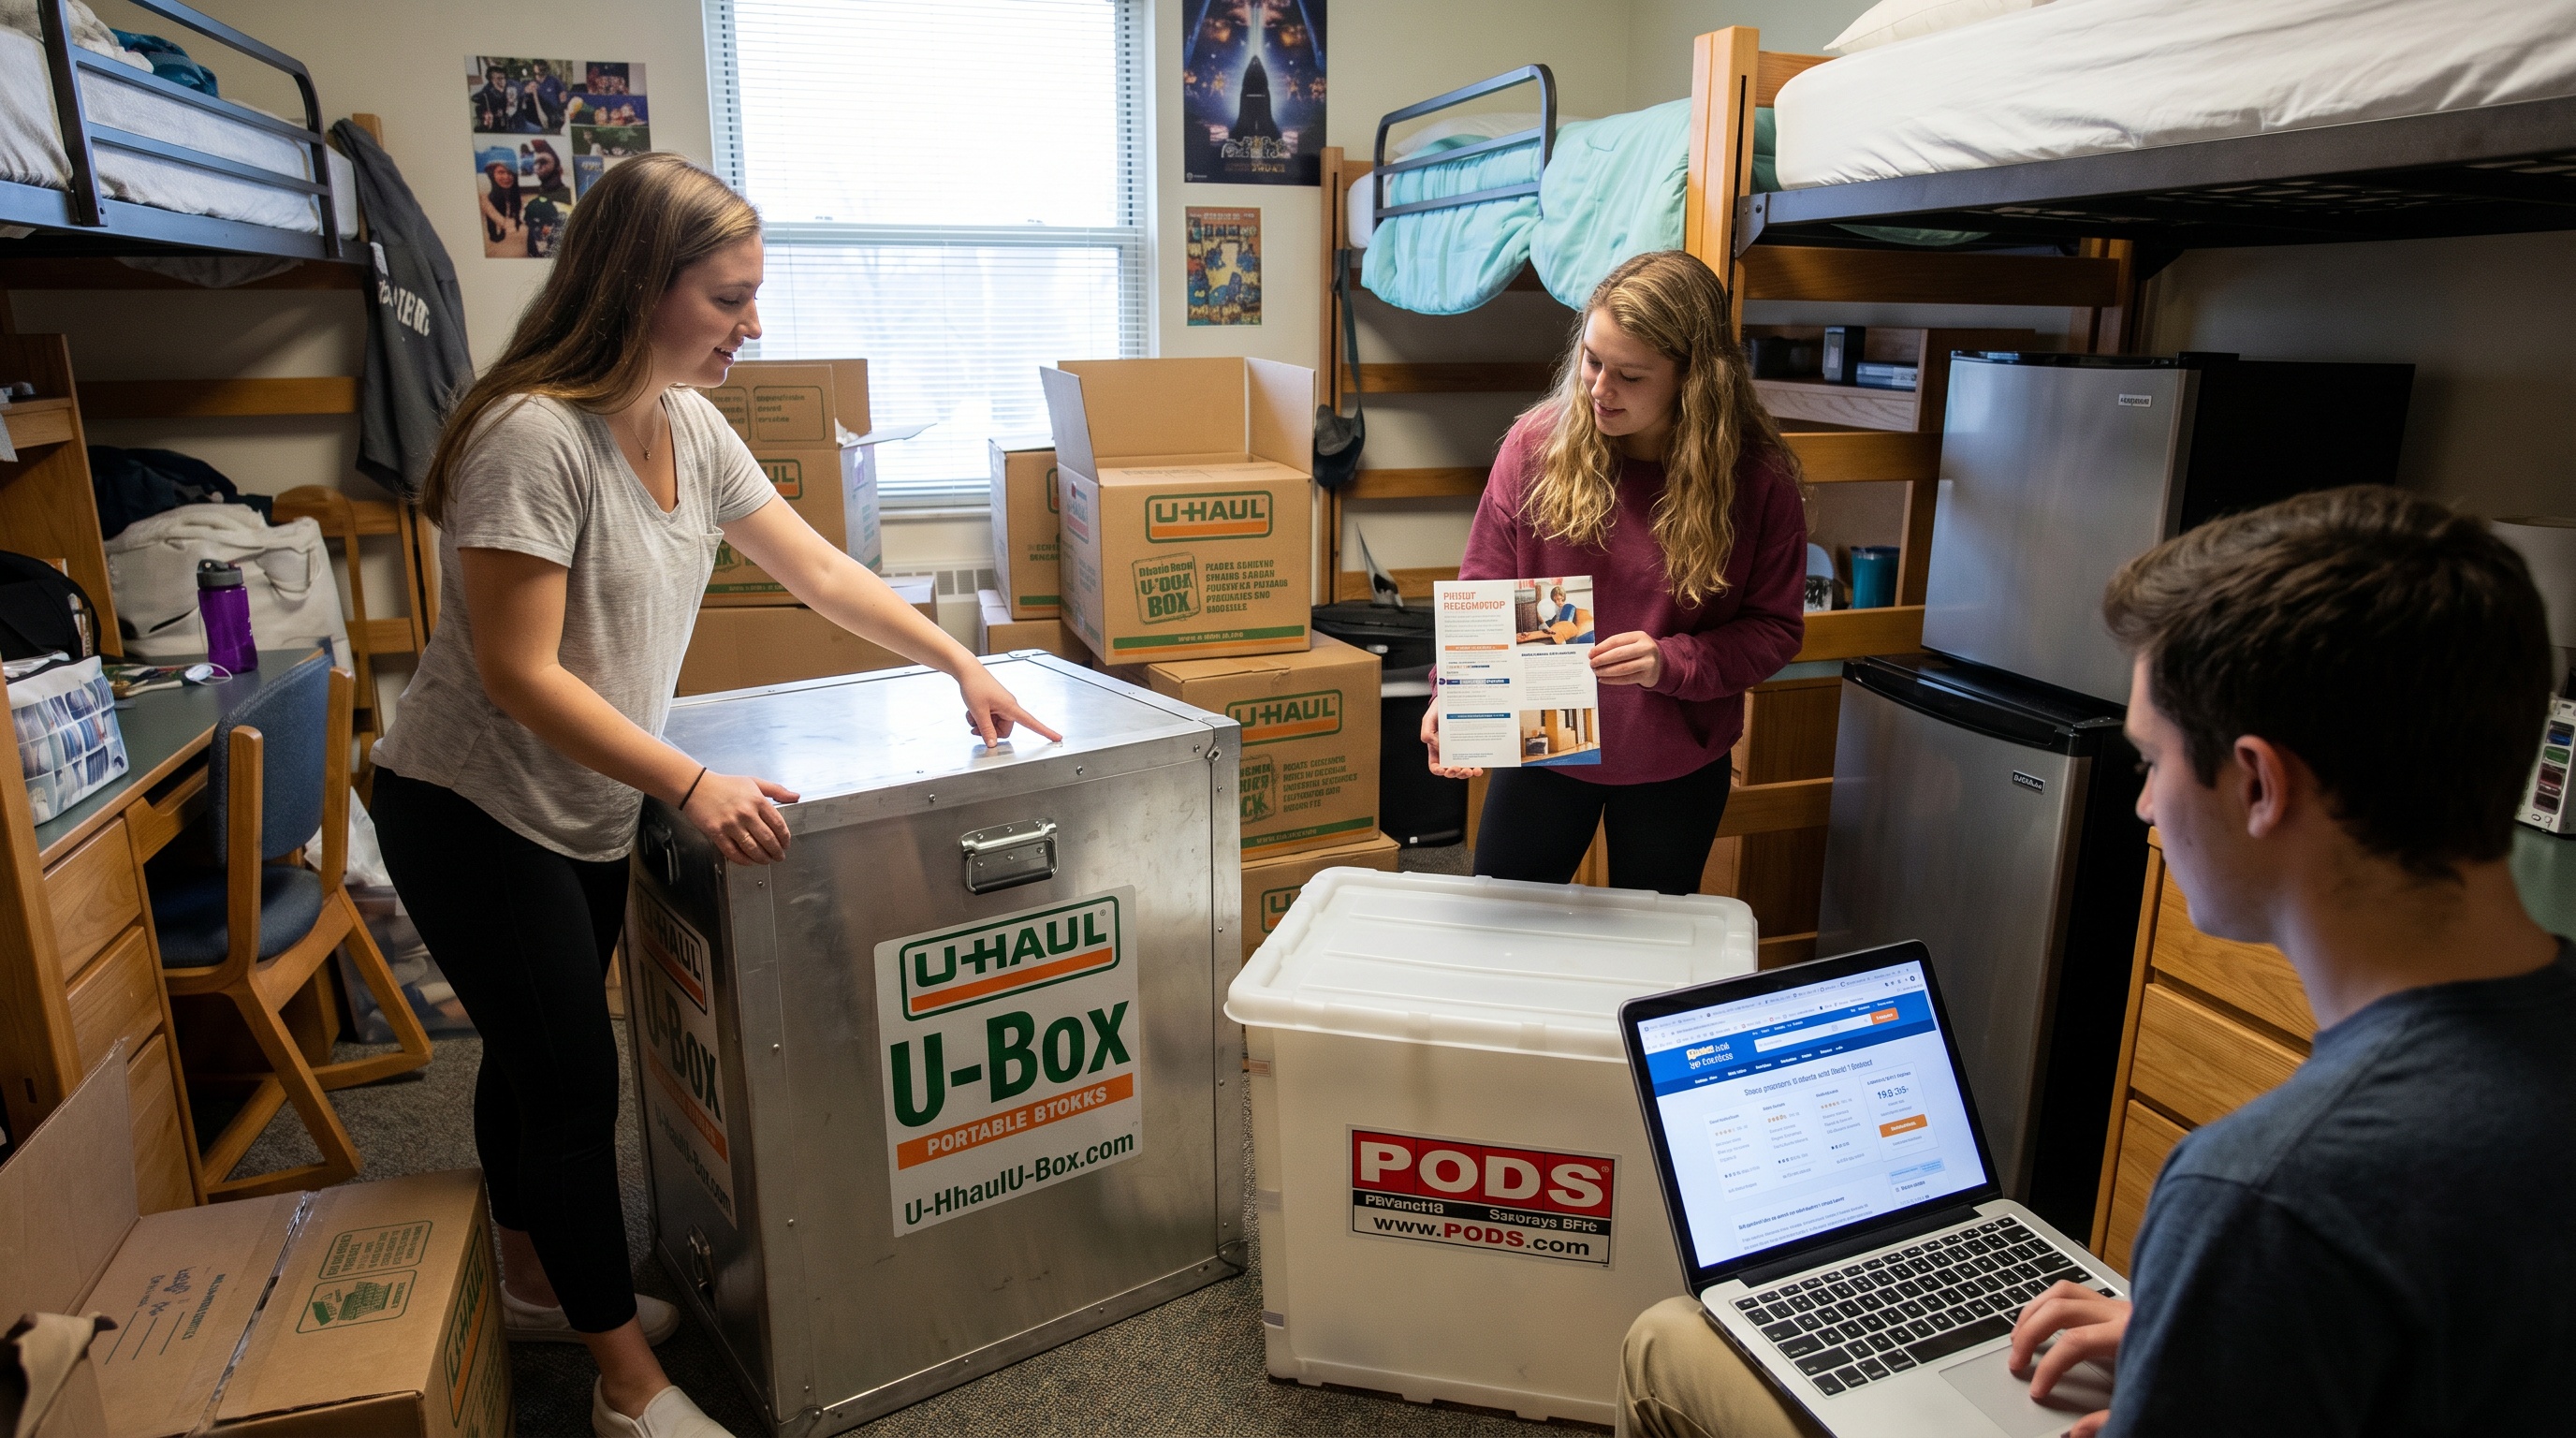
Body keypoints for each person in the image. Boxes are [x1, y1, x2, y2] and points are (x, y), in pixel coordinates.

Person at [1618, 485, 2569, 1437]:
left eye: (2150, 761)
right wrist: (2188, 1338)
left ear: (2257, 784)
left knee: (1669, 1338)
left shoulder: (2262, 1196)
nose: (2144, 807)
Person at [368, 153, 1059, 1438]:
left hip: (579, 800)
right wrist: (688, 781)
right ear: (641, 285)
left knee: (534, 1059)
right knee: (572, 1081)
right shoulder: (532, 437)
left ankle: (530, 1279)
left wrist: (964, 657)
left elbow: (817, 573)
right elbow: (518, 674)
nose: (756, 324)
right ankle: (626, 1391)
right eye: (731, 297)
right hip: (472, 806)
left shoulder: (685, 416)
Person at [1424, 250, 1806, 895]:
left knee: (1648, 967)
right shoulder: (1535, 445)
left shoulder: (1758, 480)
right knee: (1500, 937)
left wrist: (1670, 662)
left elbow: (1774, 630)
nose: (1599, 389)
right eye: (1592, 361)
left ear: (1694, 381)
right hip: (1543, 746)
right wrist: (1453, 695)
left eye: (1629, 375)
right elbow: (1484, 589)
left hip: (1676, 760)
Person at [524, 139, 572, 205]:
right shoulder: (543, 194)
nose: (538, 167)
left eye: (543, 162)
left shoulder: (567, 195)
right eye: (536, 163)